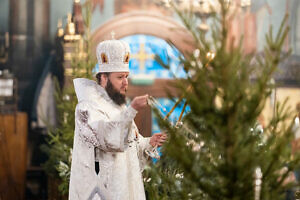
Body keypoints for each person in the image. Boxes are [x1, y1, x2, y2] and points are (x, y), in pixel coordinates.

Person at [69, 39, 167, 200]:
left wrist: (148, 142)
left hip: (125, 189)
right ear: (104, 78)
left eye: (127, 76)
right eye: (120, 77)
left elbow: (130, 144)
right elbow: (110, 140)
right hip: (101, 192)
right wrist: (133, 109)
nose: (126, 82)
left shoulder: (118, 107)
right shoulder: (86, 108)